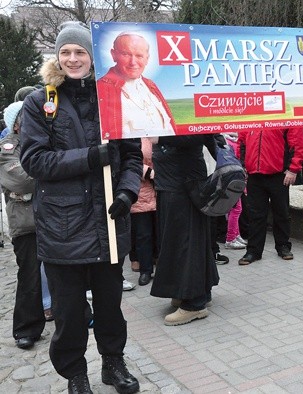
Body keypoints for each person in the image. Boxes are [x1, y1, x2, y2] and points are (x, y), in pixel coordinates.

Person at [19, 22, 142, 393]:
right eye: (66, 52)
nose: (73, 58)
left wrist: (127, 193)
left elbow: (132, 157)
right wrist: (90, 157)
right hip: (63, 227)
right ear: (58, 57)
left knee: (110, 307)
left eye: (80, 52)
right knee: (70, 313)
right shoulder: (41, 102)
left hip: (109, 224)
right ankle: (75, 374)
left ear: (92, 57)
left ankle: (112, 364)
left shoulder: (114, 97)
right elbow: (35, 161)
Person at [150, 134, 221, 325]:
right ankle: (195, 291)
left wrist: (161, 138)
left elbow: (199, 135)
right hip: (173, 181)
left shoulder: (186, 106)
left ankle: (194, 304)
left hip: (183, 182)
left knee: (187, 241)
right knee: (183, 239)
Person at [0, 101, 46, 350]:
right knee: (29, 276)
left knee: (66, 274)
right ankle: (26, 329)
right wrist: (51, 171)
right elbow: (22, 181)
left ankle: (78, 316)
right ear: (16, 122)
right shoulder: (7, 148)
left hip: (51, 217)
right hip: (26, 223)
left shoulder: (44, 139)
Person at [237, 127, 303, 265]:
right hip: (255, 174)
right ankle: (253, 251)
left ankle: (283, 246)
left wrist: (293, 169)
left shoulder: (285, 115)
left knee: (281, 212)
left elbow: (298, 142)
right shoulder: (252, 115)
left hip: (279, 174)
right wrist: (244, 165)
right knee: (255, 215)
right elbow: (242, 142)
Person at [96, 32, 176, 139]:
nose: (133, 62)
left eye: (139, 56)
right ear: (113, 55)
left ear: (147, 58)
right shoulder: (102, 89)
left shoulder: (151, 85)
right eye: (126, 54)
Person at [130, 137, 157, 286]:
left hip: (160, 189)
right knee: (143, 235)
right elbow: (129, 161)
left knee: (160, 232)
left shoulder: (159, 133)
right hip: (141, 192)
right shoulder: (134, 136)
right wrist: (149, 172)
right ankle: (145, 271)